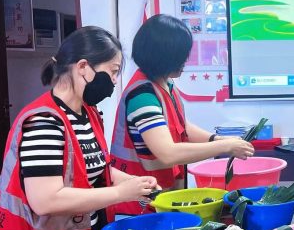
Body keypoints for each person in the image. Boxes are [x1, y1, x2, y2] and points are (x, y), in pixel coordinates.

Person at [0, 27, 159, 230]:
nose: (114, 82)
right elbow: (45, 199)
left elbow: (93, 168)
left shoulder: (87, 113)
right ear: (83, 67)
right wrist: (121, 193)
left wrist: (133, 183)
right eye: (112, 72)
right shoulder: (45, 123)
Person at [108, 14, 254, 219]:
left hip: (160, 195)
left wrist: (216, 139)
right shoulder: (143, 96)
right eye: (181, 55)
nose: (185, 60)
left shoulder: (165, 84)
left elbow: (181, 126)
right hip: (138, 205)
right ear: (164, 56)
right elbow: (167, 153)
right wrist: (224, 147)